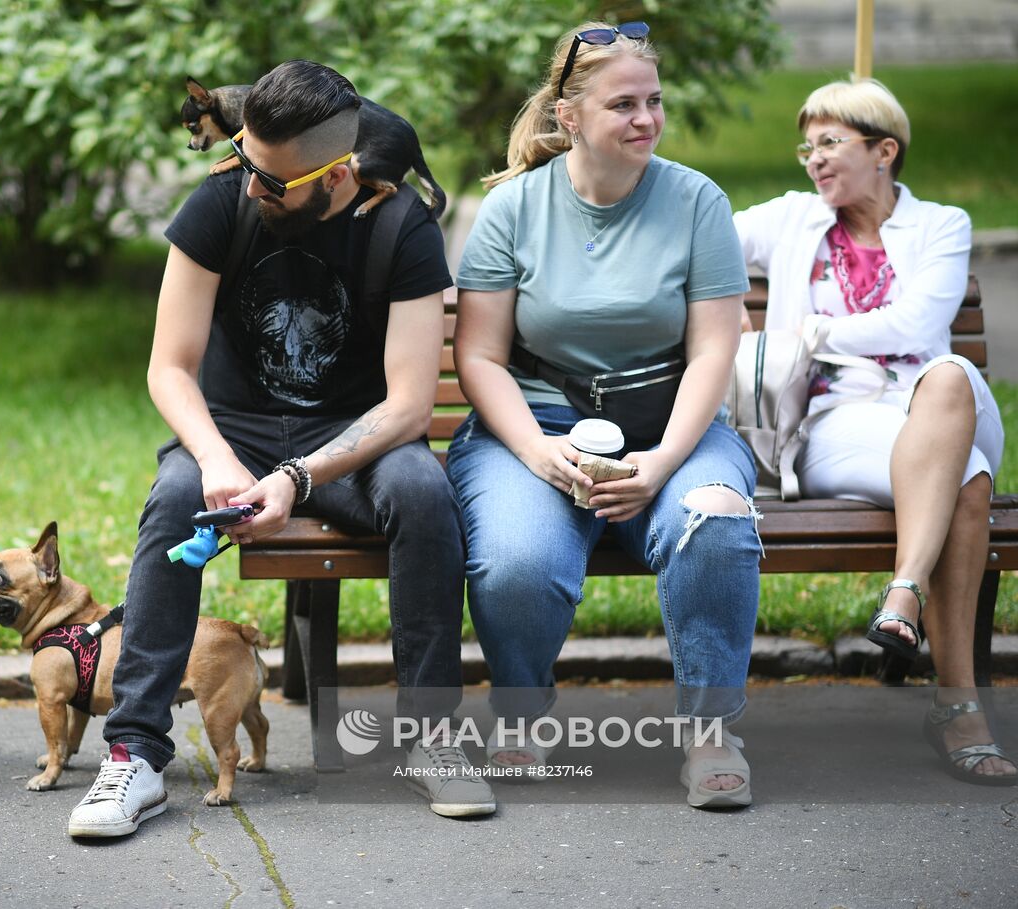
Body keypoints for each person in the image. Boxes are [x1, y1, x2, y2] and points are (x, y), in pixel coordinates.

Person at [66, 60, 496, 839]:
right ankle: (134, 753)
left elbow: (407, 405)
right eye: (248, 166)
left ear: (340, 175)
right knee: (172, 500)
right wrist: (220, 459)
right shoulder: (219, 203)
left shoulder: (400, 226)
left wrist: (300, 475)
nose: (251, 188)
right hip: (233, 432)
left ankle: (435, 736)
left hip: (353, 442)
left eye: (277, 182)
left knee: (425, 493)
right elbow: (169, 367)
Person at [445, 21, 761, 810]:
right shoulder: (514, 208)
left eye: (653, 101)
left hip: (670, 430)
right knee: (516, 560)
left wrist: (659, 464)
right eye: (624, 103)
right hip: (537, 428)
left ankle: (711, 731)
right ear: (570, 116)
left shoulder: (697, 201)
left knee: (716, 520)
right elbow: (479, 355)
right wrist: (536, 452)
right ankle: (522, 711)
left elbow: (715, 352)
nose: (646, 118)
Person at [734, 78, 1015, 786]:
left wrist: (816, 330)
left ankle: (904, 591)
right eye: (807, 147)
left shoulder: (941, 225)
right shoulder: (792, 220)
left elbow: (919, 326)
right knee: (971, 478)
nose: (813, 160)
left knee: (947, 375)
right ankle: (957, 704)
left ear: (885, 150)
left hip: (933, 401)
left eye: (830, 143)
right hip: (836, 424)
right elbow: (698, 241)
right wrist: (724, 314)